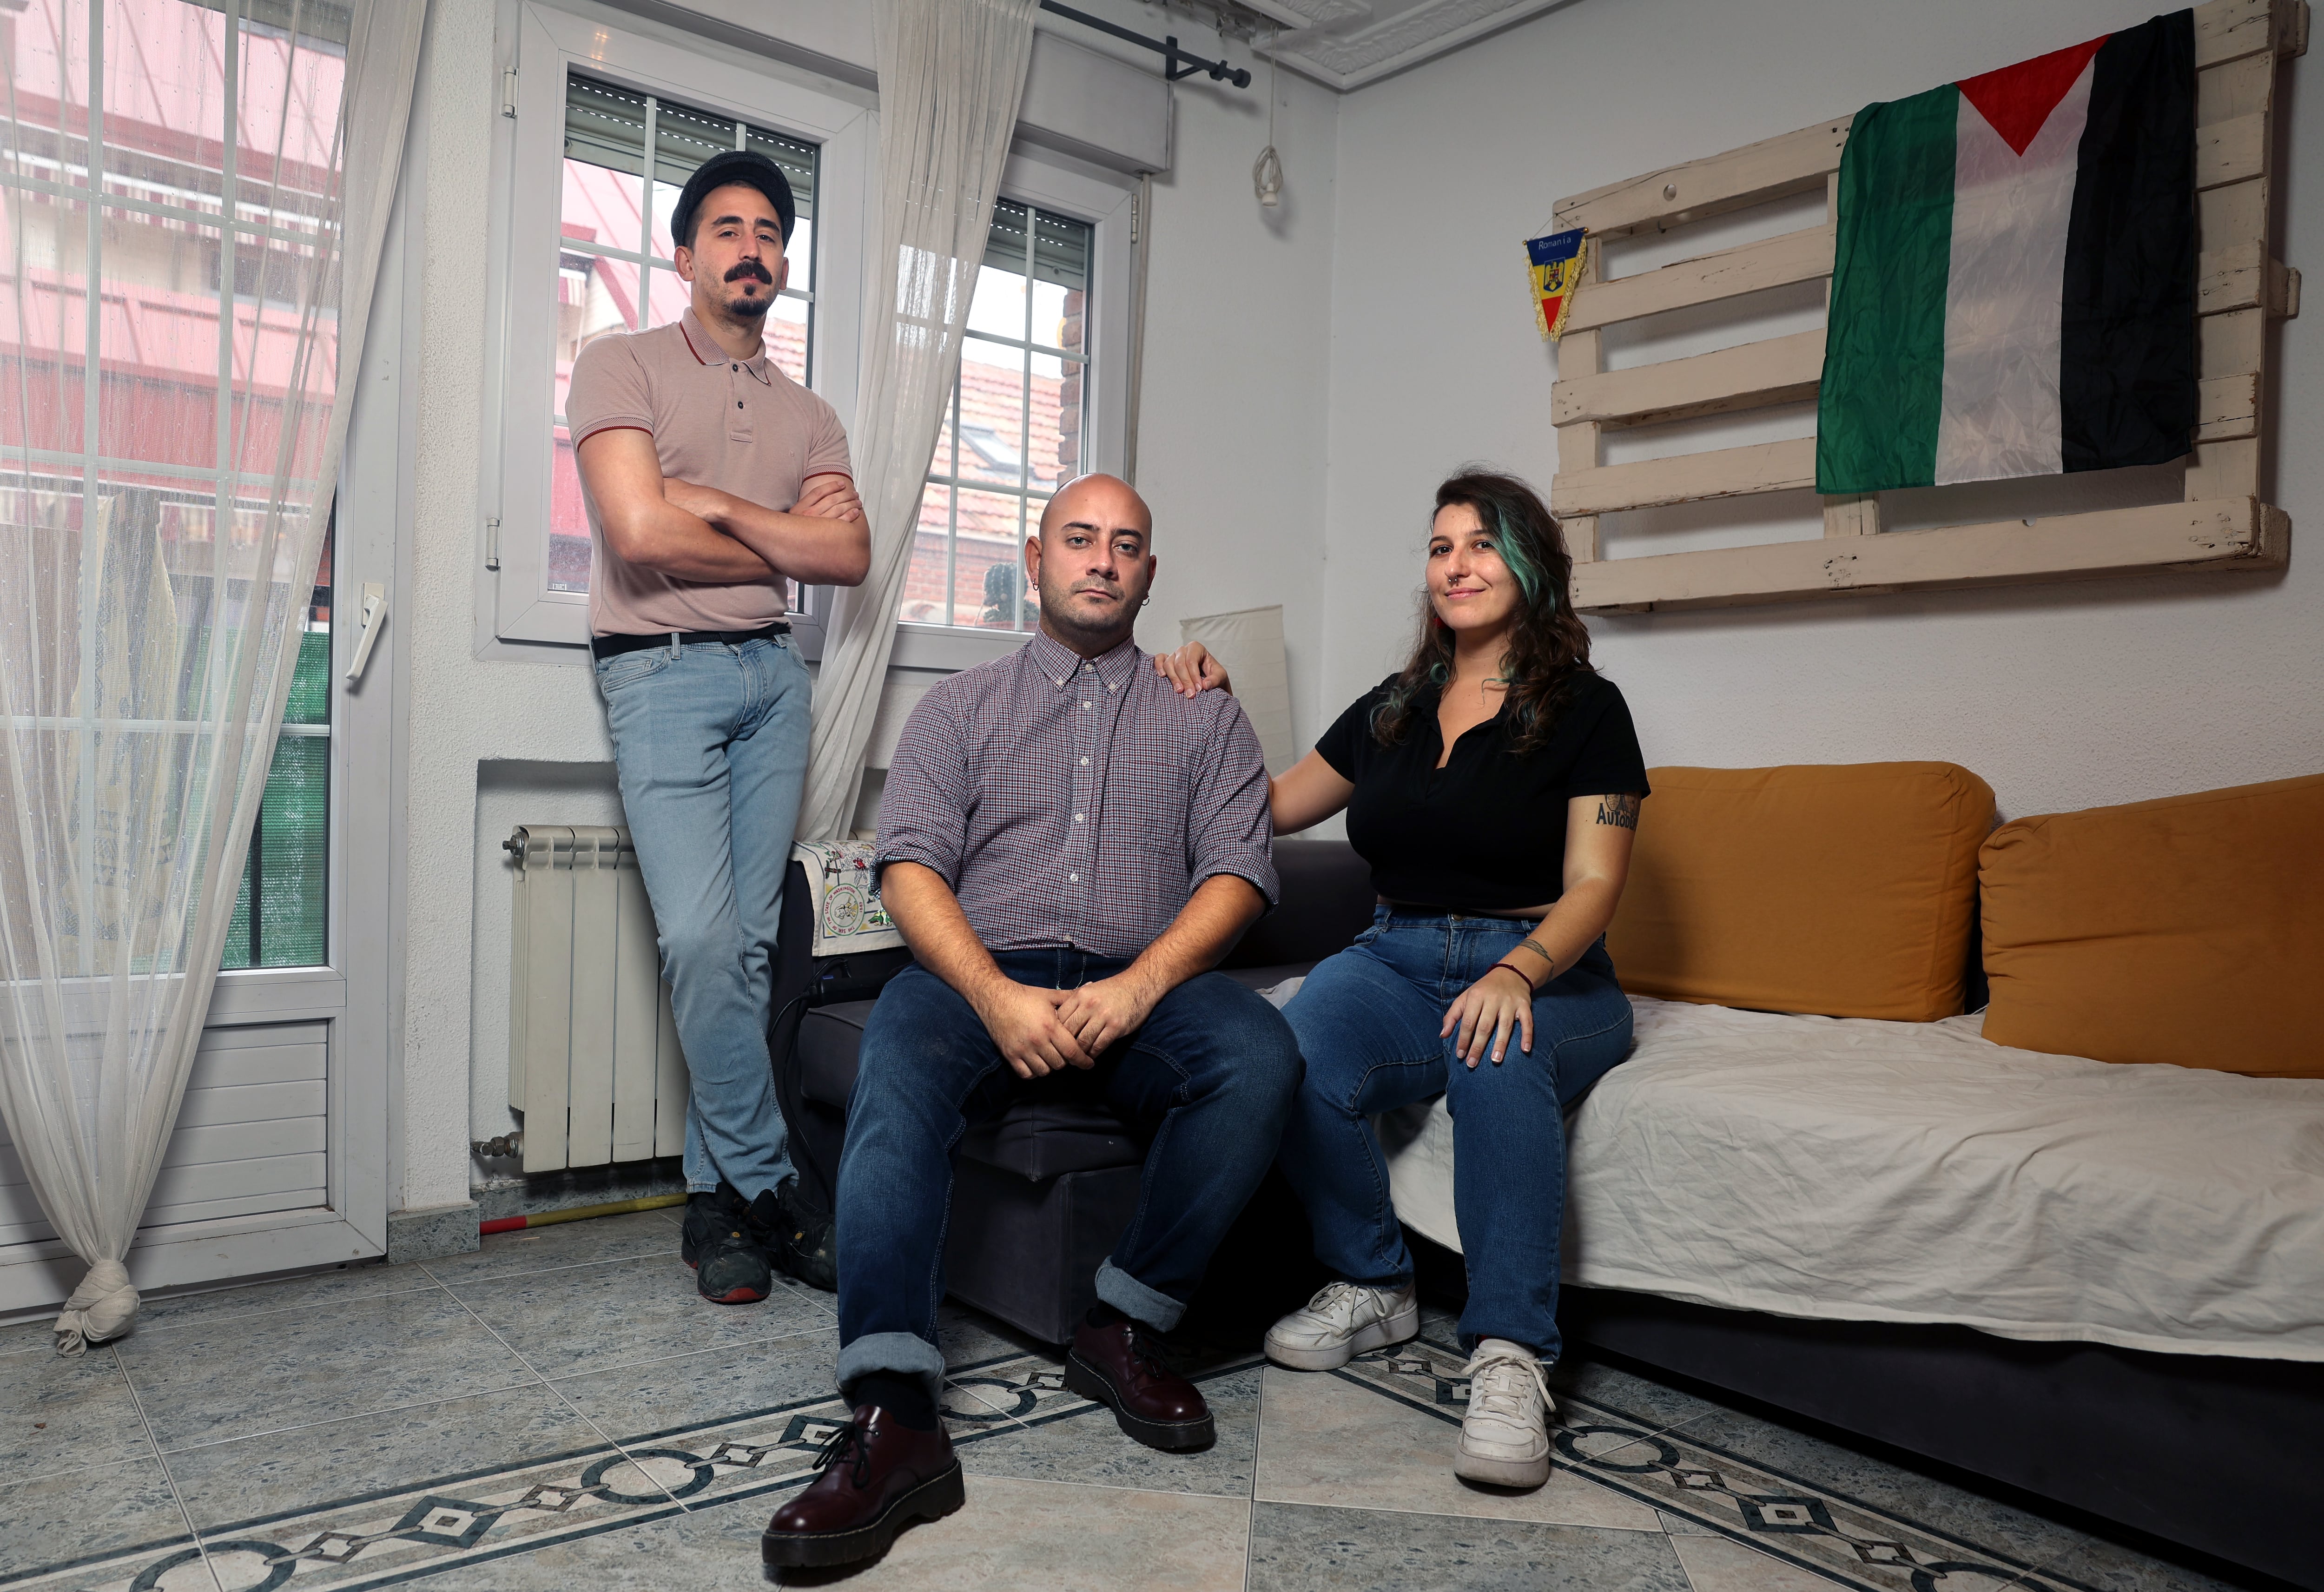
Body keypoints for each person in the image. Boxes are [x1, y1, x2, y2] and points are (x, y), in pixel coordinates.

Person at [761, 474, 1302, 1571]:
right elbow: (908, 869)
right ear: (1038, 557)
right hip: (980, 976)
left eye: (1127, 545)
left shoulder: (1205, 714)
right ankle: (894, 1411)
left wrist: (1136, 991)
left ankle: (1122, 1324)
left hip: (1139, 982)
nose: (1103, 560)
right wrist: (995, 997)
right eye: (1080, 539)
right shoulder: (959, 710)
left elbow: (1240, 876)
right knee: (899, 1062)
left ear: (1149, 571)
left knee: (1259, 1055)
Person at [1155, 468, 1648, 1490]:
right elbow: (1273, 805)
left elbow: (1595, 886)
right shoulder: (1394, 706)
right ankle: (1374, 1282)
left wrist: (1516, 973)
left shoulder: (1588, 710)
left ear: (1532, 566)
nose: (1455, 565)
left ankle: (1513, 1352)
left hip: (1549, 970)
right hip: (1396, 954)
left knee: (1493, 1053)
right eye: (1439, 547)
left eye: (1479, 543)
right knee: (1281, 1050)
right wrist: (1218, 702)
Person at [568, 150, 869, 1305]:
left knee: (748, 952)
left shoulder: (813, 413)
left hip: (772, 679)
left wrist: (727, 509)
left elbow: (845, 558)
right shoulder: (622, 364)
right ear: (686, 254)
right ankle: (774, 1185)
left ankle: (716, 1211)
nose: (753, 248)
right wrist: (781, 536)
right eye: (728, 230)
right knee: (699, 944)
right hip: (661, 675)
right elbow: (640, 534)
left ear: (782, 265)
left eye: (771, 234)